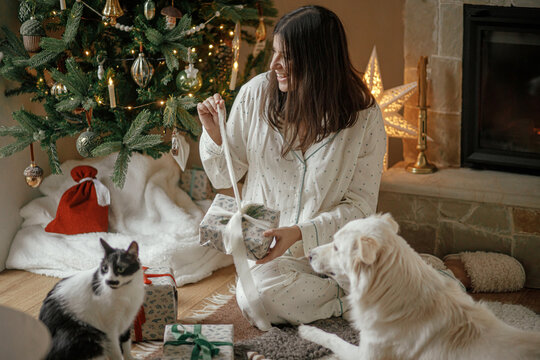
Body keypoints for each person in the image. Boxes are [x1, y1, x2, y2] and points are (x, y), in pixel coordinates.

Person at [197, 5, 386, 327]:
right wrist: (215, 138)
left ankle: (360, 290)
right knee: (257, 298)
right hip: (271, 256)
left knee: (264, 298)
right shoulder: (255, 94)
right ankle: (365, 297)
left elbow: (361, 206)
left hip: (333, 251)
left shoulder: (364, 117)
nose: (274, 66)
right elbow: (226, 174)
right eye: (274, 53)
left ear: (320, 60)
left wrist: (299, 233)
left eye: (287, 57)